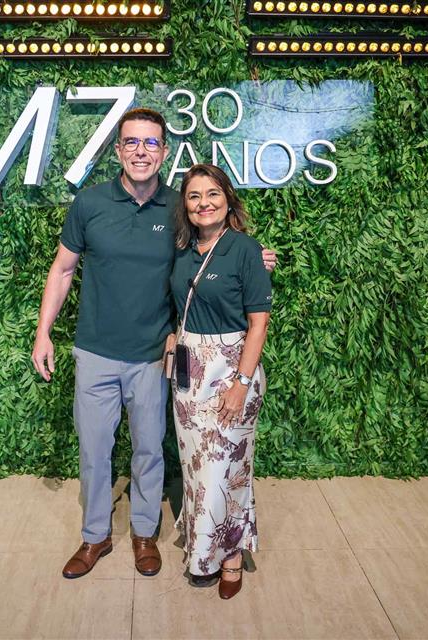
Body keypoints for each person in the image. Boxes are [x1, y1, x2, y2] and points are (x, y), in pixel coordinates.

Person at [31, 108, 276, 580]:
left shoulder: (177, 208)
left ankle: (144, 533)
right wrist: (44, 332)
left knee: (148, 449)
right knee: (94, 450)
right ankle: (95, 535)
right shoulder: (89, 203)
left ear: (164, 151)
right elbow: (62, 270)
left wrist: (252, 256)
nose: (140, 151)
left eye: (150, 143)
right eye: (131, 142)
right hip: (95, 352)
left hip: (152, 358)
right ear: (118, 150)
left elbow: (215, 243)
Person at [166, 164, 271, 600]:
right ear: (185, 206)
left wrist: (241, 384)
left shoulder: (245, 249)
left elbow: (258, 322)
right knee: (196, 469)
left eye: (212, 194)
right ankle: (202, 550)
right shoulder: (183, 251)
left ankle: (229, 557)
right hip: (189, 376)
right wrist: (173, 340)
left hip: (230, 371)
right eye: (194, 196)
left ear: (227, 200)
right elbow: (180, 306)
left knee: (226, 471)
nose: (203, 203)